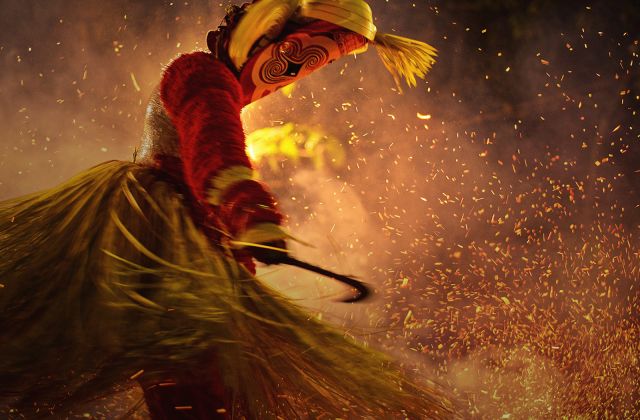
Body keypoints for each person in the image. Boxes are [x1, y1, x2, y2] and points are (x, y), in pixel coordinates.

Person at [0, 0, 450, 418]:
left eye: (321, 64)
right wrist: (253, 218)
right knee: (198, 373)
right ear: (270, 39)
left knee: (198, 372)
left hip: (187, 246)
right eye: (308, 57)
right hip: (172, 247)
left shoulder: (215, 82)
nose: (298, 75)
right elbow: (214, 149)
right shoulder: (199, 74)